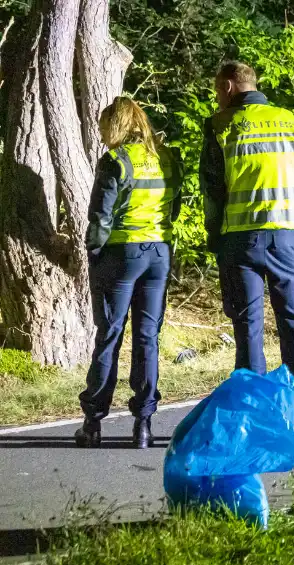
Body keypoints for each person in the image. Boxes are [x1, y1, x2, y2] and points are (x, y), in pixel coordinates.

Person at [200, 60, 294, 439]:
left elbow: (212, 189)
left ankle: (252, 421)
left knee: (248, 331)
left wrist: (214, 237)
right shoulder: (289, 119)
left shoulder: (219, 125)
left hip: (240, 239)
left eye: (219, 90)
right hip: (286, 239)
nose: (217, 98)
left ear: (231, 86)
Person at [76, 97, 182, 449]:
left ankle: (93, 422)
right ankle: (144, 424)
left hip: (121, 254)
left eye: (105, 126)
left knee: (110, 335)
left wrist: (93, 252)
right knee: (147, 337)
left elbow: (100, 217)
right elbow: (175, 209)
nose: (103, 134)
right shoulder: (166, 157)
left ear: (116, 124)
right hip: (159, 254)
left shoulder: (115, 160)